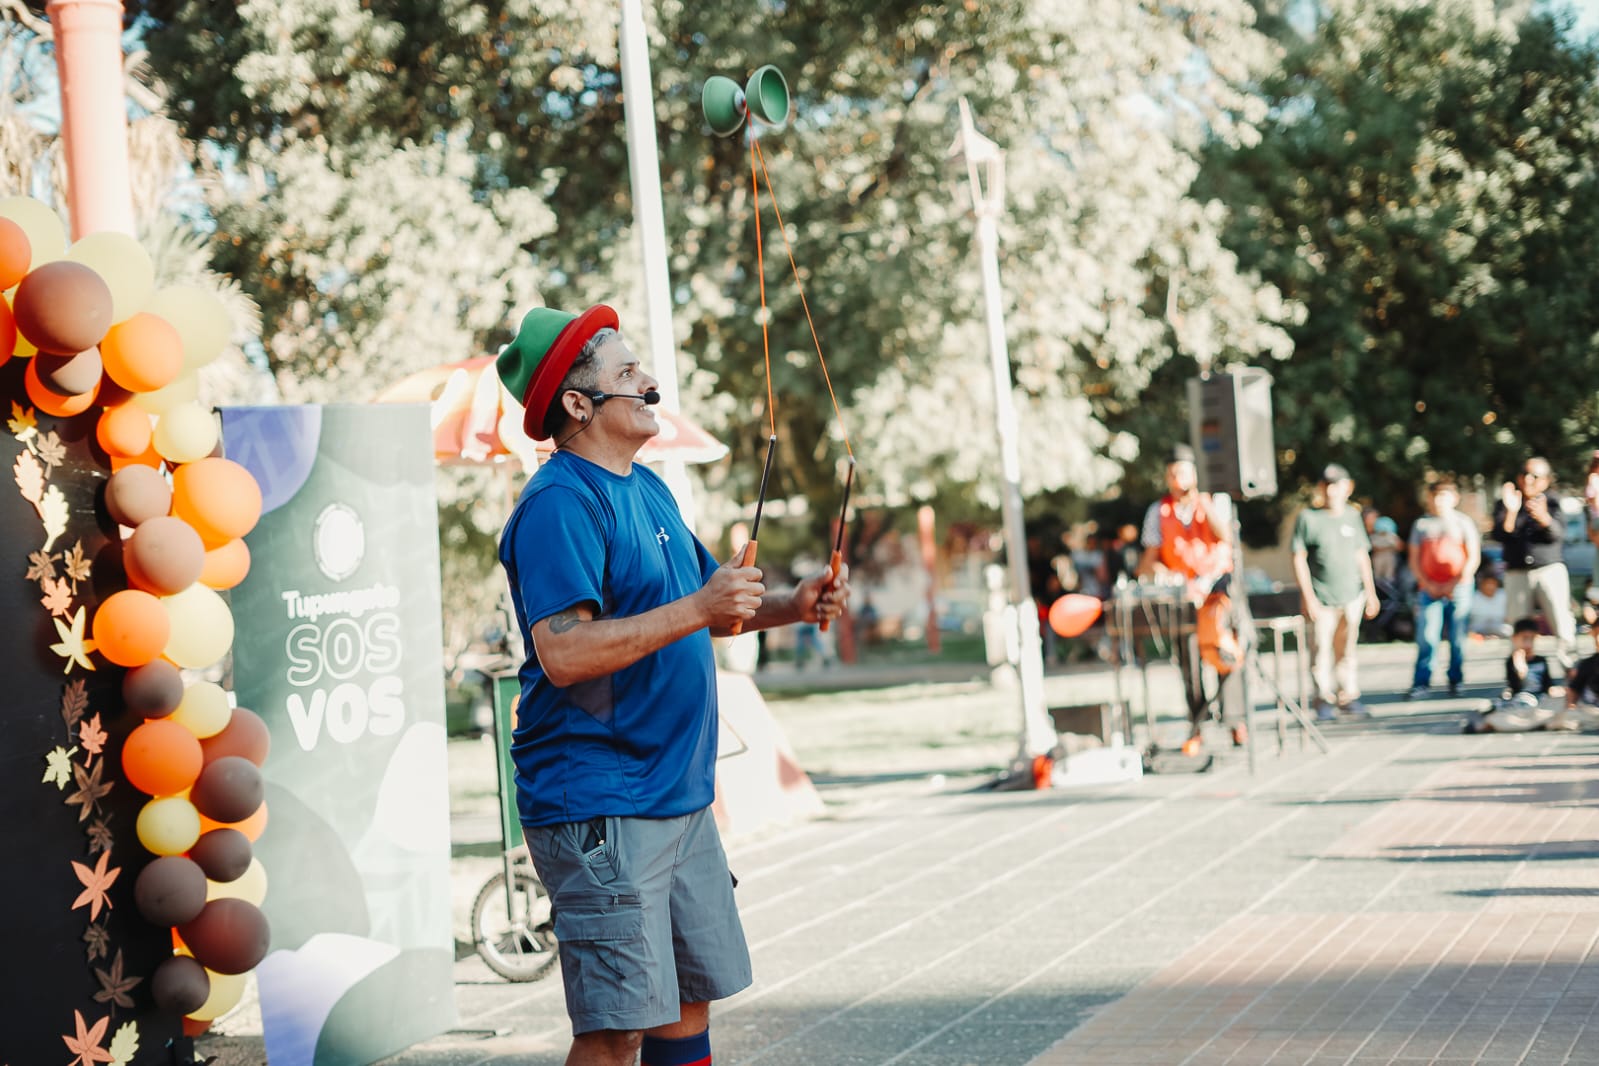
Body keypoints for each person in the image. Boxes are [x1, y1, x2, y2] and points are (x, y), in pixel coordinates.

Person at [494, 303, 850, 1066]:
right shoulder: (558, 504)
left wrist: (791, 603)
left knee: (687, 1003)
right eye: (627, 374)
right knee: (616, 1028)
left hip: (677, 794)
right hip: (600, 800)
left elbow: (705, 610)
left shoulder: (649, 489)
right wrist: (699, 605)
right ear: (577, 403)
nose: (651, 383)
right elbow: (562, 652)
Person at [1136, 442, 1242, 751]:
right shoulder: (1158, 511)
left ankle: (1235, 721)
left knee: (1224, 652)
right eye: (1171, 474)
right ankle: (1197, 725)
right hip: (1183, 594)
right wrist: (1161, 573)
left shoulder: (1215, 500)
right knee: (1188, 662)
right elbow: (1149, 559)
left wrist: (1201, 500)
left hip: (1217, 589)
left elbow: (1225, 535)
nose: (1177, 479)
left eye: (1182, 472)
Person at [1289, 464, 1380, 721]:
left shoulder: (1352, 516)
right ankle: (1322, 698)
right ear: (1320, 488)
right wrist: (1308, 597)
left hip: (1351, 595)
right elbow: (1299, 558)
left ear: (1347, 488)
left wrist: (1371, 593)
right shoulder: (1308, 518)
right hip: (1321, 596)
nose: (1331, 490)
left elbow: (1361, 555)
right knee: (1320, 651)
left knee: (1347, 650)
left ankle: (1347, 696)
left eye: (1336, 485)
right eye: (1326, 485)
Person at [1492, 456, 1577, 670]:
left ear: (1546, 480)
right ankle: (1521, 676)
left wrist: (1543, 516)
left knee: (1562, 622)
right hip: (1517, 572)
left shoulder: (1553, 501)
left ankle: (1572, 674)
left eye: (1535, 476)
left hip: (1549, 569)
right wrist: (1511, 510)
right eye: (1524, 474)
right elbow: (1501, 534)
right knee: (1518, 625)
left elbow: (1557, 534)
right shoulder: (1508, 501)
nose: (1528, 479)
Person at [1406, 478, 1481, 700]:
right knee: (1427, 635)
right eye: (1435, 495)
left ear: (1454, 498)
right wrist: (1428, 584)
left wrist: (1454, 583)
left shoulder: (1463, 523)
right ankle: (1422, 682)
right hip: (1428, 589)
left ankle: (1456, 680)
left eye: (1444, 495)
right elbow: (1414, 559)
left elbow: (1473, 557)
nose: (1439, 500)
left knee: (1458, 638)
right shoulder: (1421, 525)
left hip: (1458, 587)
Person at [1463, 617, 1565, 733]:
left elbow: (1547, 686)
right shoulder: (1512, 661)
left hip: (1539, 700)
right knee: (1499, 705)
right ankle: (1485, 724)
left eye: (1531, 639)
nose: (1528, 643)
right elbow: (1515, 686)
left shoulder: (1541, 660)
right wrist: (1520, 667)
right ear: (1515, 639)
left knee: (1555, 705)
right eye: (1524, 638)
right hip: (1520, 699)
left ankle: (1497, 723)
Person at [1364, 508, 1405, 586]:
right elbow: (1373, 549)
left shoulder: (1390, 535)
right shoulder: (1368, 535)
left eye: (1374, 518)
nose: (1373, 521)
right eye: (1369, 518)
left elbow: (1400, 546)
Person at [1468, 572, 1509, 639]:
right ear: (1481, 585)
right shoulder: (1474, 596)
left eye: (1492, 583)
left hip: (1497, 627)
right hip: (1477, 627)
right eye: (1487, 583)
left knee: (1508, 630)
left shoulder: (1503, 595)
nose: (1490, 586)